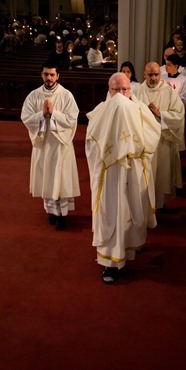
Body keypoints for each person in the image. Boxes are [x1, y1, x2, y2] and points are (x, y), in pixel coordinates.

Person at [85, 72, 161, 284]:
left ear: (131, 90)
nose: (120, 94)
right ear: (109, 91)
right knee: (112, 213)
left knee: (131, 210)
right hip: (109, 174)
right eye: (116, 90)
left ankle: (130, 248)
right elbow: (90, 144)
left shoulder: (140, 110)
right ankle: (109, 263)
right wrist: (109, 155)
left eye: (124, 90)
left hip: (132, 170)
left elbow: (153, 136)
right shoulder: (100, 112)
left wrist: (133, 150)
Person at [21, 61, 81, 230]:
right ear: (42, 75)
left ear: (58, 76)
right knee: (47, 178)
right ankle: (51, 212)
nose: (49, 78)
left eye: (52, 74)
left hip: (60, 145)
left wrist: (53, 114)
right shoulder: (34, 95)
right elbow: (25, 117)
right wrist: (42, 114)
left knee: (60, 179)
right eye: (46, 74)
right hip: (43, 144)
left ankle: (62, 215)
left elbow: (71, 119)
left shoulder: (66, 95)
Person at [134, 62, 185, 211]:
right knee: (146, 175)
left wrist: (160, 114)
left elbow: (179, 115)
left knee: (162, 174)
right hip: (144, 142)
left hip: (163, 141)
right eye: (150, 75)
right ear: (144, 74)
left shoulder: (169, 92)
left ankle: (161, 205)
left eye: (156, 74)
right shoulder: (137, 92)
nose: (154, 78)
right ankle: (145, 205)